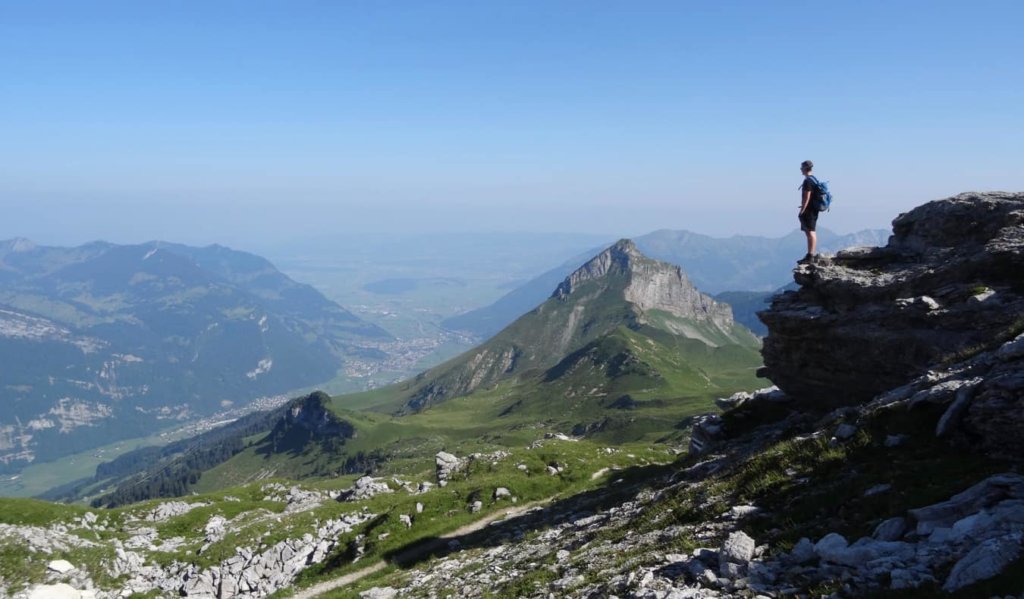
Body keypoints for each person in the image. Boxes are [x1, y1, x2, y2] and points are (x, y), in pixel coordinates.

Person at [798, 160, 820, 264]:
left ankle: (810, 255)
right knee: (811, 231)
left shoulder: (807, 181)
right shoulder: (814, 179)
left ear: (805, 169)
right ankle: (810, 254)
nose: (800, 170)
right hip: (814, 209)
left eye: (801, 168)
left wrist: (802, 210)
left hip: (809, 210)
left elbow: (807, 197)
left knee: (810, 232)